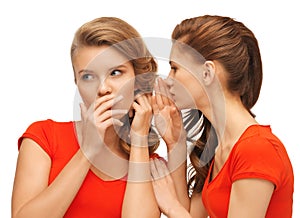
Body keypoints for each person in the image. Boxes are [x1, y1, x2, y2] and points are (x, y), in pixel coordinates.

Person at [11, 17, 161, 218]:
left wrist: (140, 139)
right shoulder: (45, 137)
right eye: (88, 77)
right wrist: (88, 151)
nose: (103, 89)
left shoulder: (151, 164)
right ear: (77, 83)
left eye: (116, 73)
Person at [150, 15, 294, 218]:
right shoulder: (218, 147)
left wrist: (171, 207)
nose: (169, 80)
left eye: (175, 68)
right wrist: (176, 143)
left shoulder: (256, 149)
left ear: (207, 72)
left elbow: (178, 212)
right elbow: (190, 214)